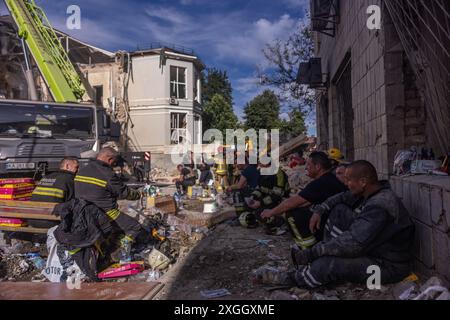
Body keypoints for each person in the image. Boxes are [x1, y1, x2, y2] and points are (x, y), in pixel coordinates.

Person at [262, 160, 414, 289]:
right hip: (373, 251)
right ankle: (321, 269)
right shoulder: (369, 191)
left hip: (386, 267)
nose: (346, 184)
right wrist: (319, 211)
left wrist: (315, 252)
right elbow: (339, 198)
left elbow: (353, 243)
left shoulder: (379, 205)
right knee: (339, 211)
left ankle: (293, 279)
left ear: (363, 181)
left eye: (349, 180)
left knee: (329, 264)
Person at [261, 152, 347, 249]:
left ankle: (307, 250)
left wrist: (271, 212)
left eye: (309, 165)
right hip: (338, 225)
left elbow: (291, 203)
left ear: (318, 167)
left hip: (332, 228)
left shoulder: (321, 183)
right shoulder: (330, 179)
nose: (306, 168)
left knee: (292, 214)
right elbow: (305, 201)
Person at [74, 147, 143, 243]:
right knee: (135, 227)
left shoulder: (82, 170)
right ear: (109, 159)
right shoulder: (107, 173)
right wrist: (139, 195)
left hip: (82, 212)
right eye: (114, 162)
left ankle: (108, 244)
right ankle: (118, 251)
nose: (113, 165)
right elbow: (123, 193)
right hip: (103, 212)